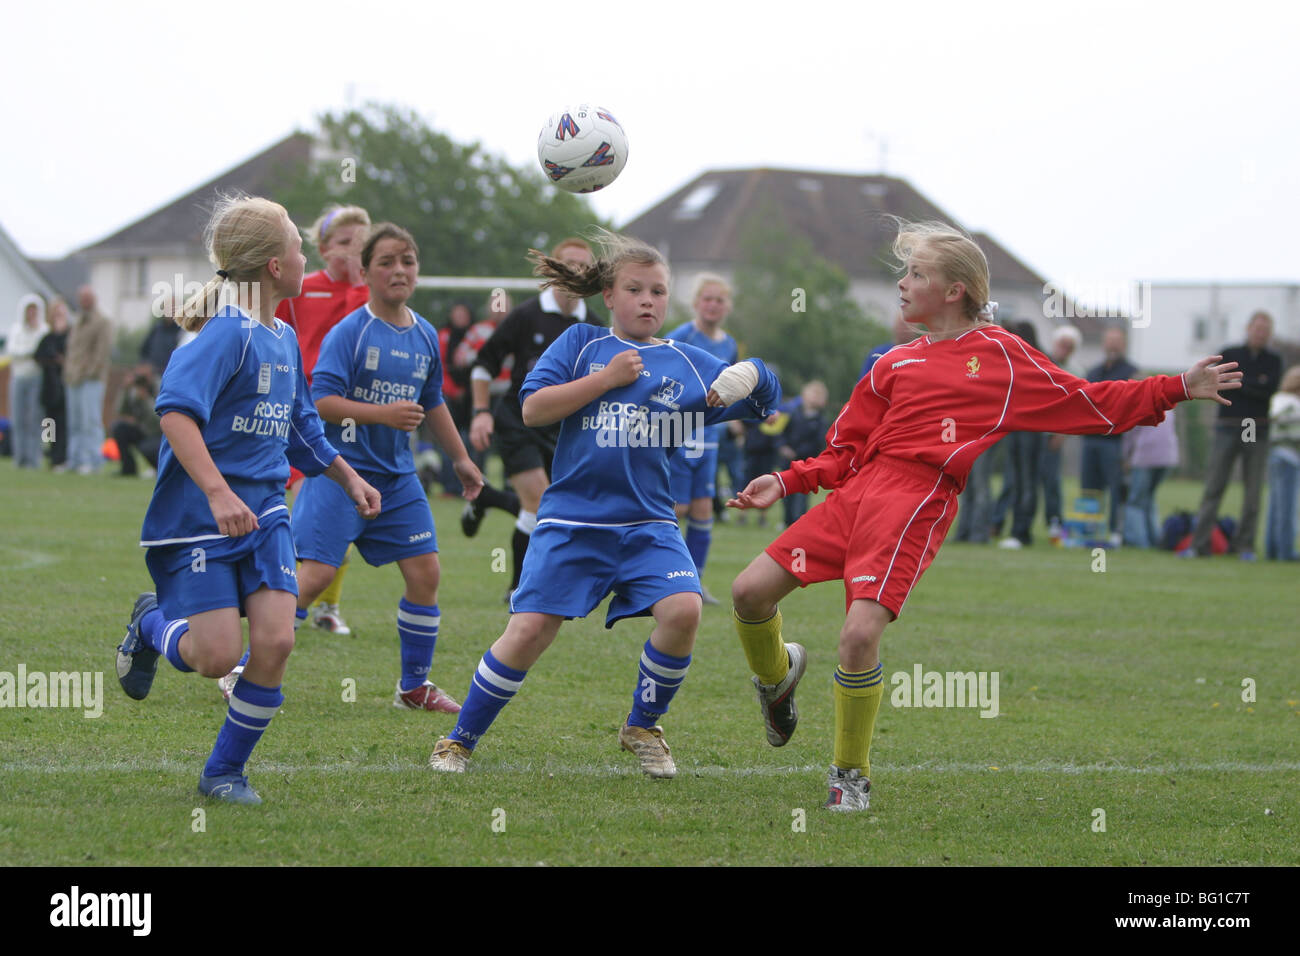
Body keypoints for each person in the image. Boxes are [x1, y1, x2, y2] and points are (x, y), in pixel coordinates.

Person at [727, 219, 1242, 812]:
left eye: (916, 273)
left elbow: (1091, 402)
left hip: (917, 499)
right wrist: (786, 479)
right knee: (747, 593)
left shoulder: (1000, 356)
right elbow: (845, 450)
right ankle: (777, 681)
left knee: (858, 635)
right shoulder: (891, 362)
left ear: (955, 291)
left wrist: (1177, 386)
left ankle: (850, 776)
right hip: (858, 494)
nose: (902, 283)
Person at [428, 231, 781, 776]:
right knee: (527, 633)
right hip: (572, 523)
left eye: (659, 291)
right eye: (634, 289)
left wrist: (751, 374)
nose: (647, 300)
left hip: (649, 526)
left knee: (684, 609)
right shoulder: (580, 346)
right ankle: (459, 740)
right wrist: (606, 379)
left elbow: (767, 400)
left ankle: (642, 725)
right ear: (608, 296)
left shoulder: (685, 362)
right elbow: (533, 409)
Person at [113, 194, 380, 805]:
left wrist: (349, 478)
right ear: (272, 267)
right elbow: (174, 414)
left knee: (278, 641)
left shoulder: (283, 336)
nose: (304, 251)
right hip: (205, 519)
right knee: (215, 657)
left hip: (267, 515)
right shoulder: (226, 334)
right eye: (295, 241)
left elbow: (302, 429)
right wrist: (216, 491)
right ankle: (149, 621)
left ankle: (224, 772)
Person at [290, 223, 483, 713]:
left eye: (409, 261)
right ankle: (242, 667)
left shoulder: (423, 334)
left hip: (397, 478)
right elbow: (322, 401)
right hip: (342, 473)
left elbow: (433, 400)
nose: (399, 270)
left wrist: (461, 459)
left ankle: (413, 688)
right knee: (312, 577)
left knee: (425, 572)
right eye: (387, 262)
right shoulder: (350, 333)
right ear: (366, 272)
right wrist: (382, 414)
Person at [462, 238, 604, 600]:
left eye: (583, 265)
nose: (575, 270)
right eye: (568, 263)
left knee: (552, 508)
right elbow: (484, 365)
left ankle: (488, 498)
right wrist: (480, 413)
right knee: (539, 502)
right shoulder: (526, 316)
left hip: (564, 430)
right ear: (553, 270)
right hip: (518, 422)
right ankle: (519, 589)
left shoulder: (597, 327)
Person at [276, 204, 372, 635]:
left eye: (363, 245)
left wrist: (359, 282)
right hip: (303, 413)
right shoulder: (301, 289)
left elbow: (360, 325)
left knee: (341, 513)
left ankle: (322, 607)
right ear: (321, 248)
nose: (356, 253)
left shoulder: (371, 294)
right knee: (307, 513)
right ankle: (284, 600)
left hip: (354, 417)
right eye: (346, 244)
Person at [1181, 311, 1283, 560]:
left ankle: (1244, 546)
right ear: (1248, 328)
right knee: (1214, 485)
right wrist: (1254, 383)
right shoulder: (1230, 354)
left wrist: (1243, 384)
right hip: (1228, 427)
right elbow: (1219, 383)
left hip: (1256, 429)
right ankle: (1200, 544)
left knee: (1253, 490)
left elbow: (1268, 390)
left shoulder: (1274, 360)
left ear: (1269, 334)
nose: (1260, 333)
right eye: (1257, 328)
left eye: (1265, 330)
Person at [664, 274, 740, 605]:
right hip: (679, 435)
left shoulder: (729, 344)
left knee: (703, 510)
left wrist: (750, 414)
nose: (713, 305)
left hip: (709, 439)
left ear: (728, 306)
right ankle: (653, 575)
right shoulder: (681, 336)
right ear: (696, 304)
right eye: (707, 299)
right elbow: (660, 373)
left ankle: (694, 581)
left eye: (719, 300)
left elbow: (733, 385)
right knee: (676, 508)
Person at [1078, 326, 1138, 546]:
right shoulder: (1094, 372)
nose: (1112, 345)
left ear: (1124, 344)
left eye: (1117, 341)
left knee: (1116, 487)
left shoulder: (1131, 372)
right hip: (1091, 439)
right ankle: (1088, 529)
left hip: (1116, 442)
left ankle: (1115, 530)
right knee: (1089, 488)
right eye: (1109, 340)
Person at [995, 321, 1045, 549]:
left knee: (1025, 482)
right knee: (1019, 481)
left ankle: (1021, 531)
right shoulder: (1027, 359)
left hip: (1028, 430)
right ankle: (1018, 529)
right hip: (1018, 428)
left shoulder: (1030, 360)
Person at [1039, 324, 1082, 540]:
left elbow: (1074, 408)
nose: (1064, 349)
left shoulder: (1075, 371)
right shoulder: (1042, 363)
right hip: (1034, 433)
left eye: (1069, 346)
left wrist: (1062, 434)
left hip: (1054, 434)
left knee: (1052, 481)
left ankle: (1054, 521)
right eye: (1062, 344)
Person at [65, 286, 113, 474]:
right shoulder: (77, 321)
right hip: (73, 378)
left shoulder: (102, 321)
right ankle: (75, 459)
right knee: (75, 421)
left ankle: (93, 460)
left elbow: (102, 351)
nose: (84, 301)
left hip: (91, 379)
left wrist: (89, 371)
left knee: (90, 420)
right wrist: (70, 372)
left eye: (87, 298)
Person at [1121, 406, 1179, 548]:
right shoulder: (1169, 407)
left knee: (1135, 502)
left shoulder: (1141, 406)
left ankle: (1138, 541)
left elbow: (1130, 434)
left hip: (1145, 457)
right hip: (1167, 458)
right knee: (1149, 498)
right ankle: (1155, 538)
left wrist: (1125, 457)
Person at [776, 380, 829, 527]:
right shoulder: (791, 413)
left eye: (819, 395)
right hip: (787, 461)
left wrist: (799, 452)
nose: (814, 398)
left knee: (801, 494)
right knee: (786, 491)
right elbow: (780, 433)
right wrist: (783, 447)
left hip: (806, 463)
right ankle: (786, 520)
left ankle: (797, 522)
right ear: (804, 394)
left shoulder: (820, 421)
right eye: (812, 393)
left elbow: (818, 443)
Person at [6, 294, 47, 469]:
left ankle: (33, 458)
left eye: (34, 310)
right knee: (18, 418)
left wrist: (28, 353)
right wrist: (30, 353)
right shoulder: (16, 329)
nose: (31, 313)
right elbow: (13, 351)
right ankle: (19, 457)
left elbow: (41, 352)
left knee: (34, 419)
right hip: (18, 377)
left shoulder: (43, 330)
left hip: (36, 378)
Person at [1265, 366, 1300, 560]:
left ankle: (1272, 549)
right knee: (1287, 509)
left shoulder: (1277, 399)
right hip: (1289, 458)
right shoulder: (1292, 403)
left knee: (1275, 507)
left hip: (1276, 456)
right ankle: (1286, 552)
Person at [34, 297, 70, 469]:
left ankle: (63, 457)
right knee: (50, 425)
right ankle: (53, 456)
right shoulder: (47, 337)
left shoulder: (70, 336)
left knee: (64, 424)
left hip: (64, 387)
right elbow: (39, 356)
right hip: (49, 389)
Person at [110, 366, 163, 477]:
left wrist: (146, 400)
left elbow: (159, 420)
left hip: (159, 434)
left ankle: (160, 469)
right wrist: (125, 389)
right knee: (118, 428)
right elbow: (120, 411)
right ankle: (128, 469)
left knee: (147, 447)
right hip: (143, 430)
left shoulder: (159, 387)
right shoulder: (135, 391)